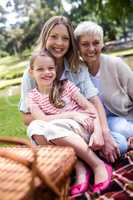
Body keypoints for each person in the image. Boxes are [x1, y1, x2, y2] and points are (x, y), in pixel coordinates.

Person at [19, 15, 120, 164]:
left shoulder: (77, 68)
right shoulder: (32, 74)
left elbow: (94, 102)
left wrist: (103, 133)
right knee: (36, 127)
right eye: (54, 36)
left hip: (81, 127)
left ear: (70, 42)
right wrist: (68, 115)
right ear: (45, 37)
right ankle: (85, 160)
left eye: (65, 38)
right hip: (54, 130)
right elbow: (26, 118)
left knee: (119, 145)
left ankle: (83, 158)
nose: (59, 43)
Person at [27, 49, 112, 195]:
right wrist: (72, 114)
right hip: (61, 132)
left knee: (50, 128)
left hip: (82, 129)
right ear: (31, 72)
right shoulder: (32, 96)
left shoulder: (66, 86)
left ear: (56, 69)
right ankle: (79, 166)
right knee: (34, 127)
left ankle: (98, 165)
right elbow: (41, 119)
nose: (46, 72)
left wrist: (98, 131)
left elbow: (90, 107)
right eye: (40, 69)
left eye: (50, 68)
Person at [74, 21, 133, 153]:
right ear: (77, 47)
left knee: (122, 129)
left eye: (96, 43)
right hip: (98, 126)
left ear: (102, 43)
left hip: (125, 120)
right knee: (120, 145)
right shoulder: (77, 72)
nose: (91, 49)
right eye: (85, 44)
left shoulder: (115, 64)